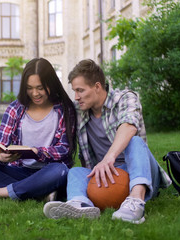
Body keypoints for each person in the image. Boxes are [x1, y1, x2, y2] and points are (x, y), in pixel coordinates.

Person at [43, 59, 171, 224]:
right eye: (74, 91)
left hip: (138, 171)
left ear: (97, 86)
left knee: (135, 141)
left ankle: (136, 201)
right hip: (106, 176)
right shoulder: (80, 110)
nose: (76, 97)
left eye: (80, 90)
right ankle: (79, 204)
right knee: (76, 172)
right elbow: (51, 109)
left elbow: (129, 126)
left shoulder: (126, 98)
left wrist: (108, 158)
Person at [0, 58, 77, 201]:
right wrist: (1, 156)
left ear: (51, 84)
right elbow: (0, 145)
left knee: (61, 170)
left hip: (49, 171)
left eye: (40, 88)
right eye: (29, 88)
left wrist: (37, 152)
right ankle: (39, 192)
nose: (35, 93)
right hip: (19, 170)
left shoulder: (64, 108)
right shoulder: (15, 109)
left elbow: (64, 149)